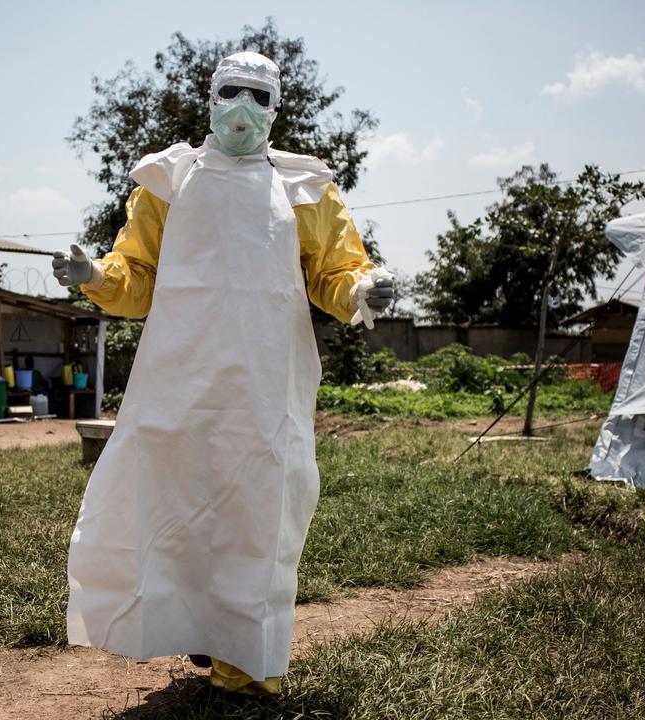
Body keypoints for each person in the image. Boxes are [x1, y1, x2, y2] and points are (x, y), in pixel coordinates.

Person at [54, 51, 394, 696]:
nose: (244, 107)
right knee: (171, 500)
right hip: (179, 376)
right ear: (210, 98)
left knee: (259, 510)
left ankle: (246, 657)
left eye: (259, 96)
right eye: (232, 91)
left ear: (276, 107)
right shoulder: (168, 181)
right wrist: (94, 277)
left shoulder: (307, 187)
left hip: (266, 381)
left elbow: (335, 274)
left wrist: (363, 293)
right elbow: (138, 278)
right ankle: (182, 628)